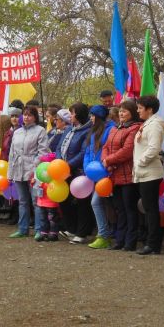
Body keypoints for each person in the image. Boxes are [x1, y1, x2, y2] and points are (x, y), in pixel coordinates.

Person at [102, 99, 142, 251]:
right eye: (120, 111)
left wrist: (109, 160)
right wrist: (105, 160)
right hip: (114, 175)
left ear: (132, 112)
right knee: (119, 209)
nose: (121, 113)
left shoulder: (134, 128)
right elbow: (105, 146)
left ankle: (130, 242)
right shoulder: (114, 129)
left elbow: (127, 151)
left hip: (128, 176)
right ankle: (120, 240)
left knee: (129, 209)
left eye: (124, 111)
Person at [133, 95, 164, 255]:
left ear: (149, 110)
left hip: (150, 172)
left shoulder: (154, 125)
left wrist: (140, 162)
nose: (138, 111)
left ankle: (153, 243)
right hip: (144, 172)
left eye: (140, 108)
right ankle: (152, 242)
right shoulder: (147, 124)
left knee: (151, 209)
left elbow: (154, 148)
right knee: (148, 208)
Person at [7, 105, 50, 238]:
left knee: (36, 200)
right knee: (22, 201)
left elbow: (42, 151)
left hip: (34, 170)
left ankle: (39, 229)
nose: (26, 117)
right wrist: (10, 173)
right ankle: (23, 228)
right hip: (18, 169)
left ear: (35, 117)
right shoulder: (17, 132)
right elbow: (12, 153)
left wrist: (34, 168)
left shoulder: (40, 131)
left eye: (29, 115)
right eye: (24, 114)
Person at [56, 103, 94, 245]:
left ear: (78, 114)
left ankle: (82, 233)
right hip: (62, 171)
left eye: (71, 113)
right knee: (63, 199)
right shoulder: (68, 130)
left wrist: (68, 165)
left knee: (82, 202)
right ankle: (70, 228)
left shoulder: (87, 131)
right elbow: (60, 147)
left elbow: (83, 152)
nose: (69, 116)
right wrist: (59, 162)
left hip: (78, 172)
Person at [85, 105, 115, 249]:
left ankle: (104, 235)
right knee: (100, 203)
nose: (90, 118)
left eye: (92, 116)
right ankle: (105, 234)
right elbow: (88, 151)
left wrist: (103, 169)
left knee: (96, 202)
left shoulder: (110, 129)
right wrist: (87, 167)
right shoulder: (93, 131)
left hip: (105, 173)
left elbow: (108, 150)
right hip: (94, 173)